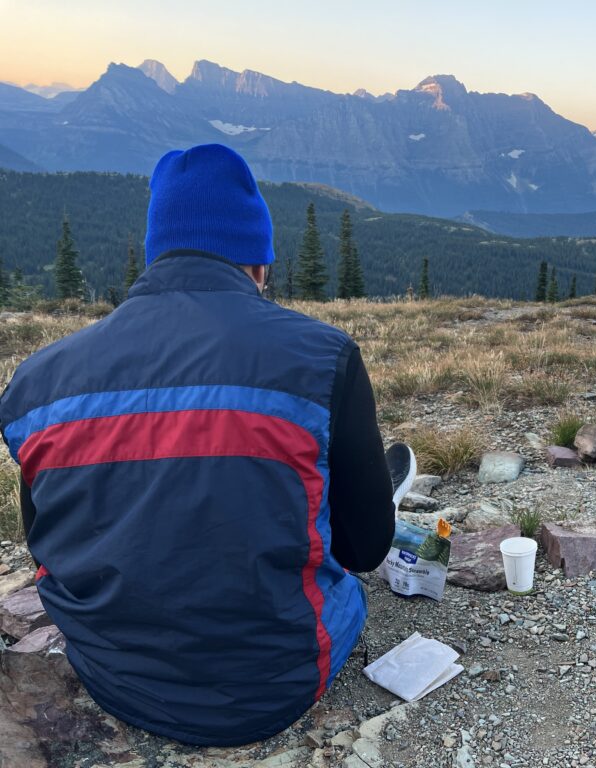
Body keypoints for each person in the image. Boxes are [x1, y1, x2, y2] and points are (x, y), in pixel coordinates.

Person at [0, 144, 396, 746]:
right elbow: (367, 549)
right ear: (258, 263)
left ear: (156, 252)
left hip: (112, 677)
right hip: (277, 684)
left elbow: (46, 542)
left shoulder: (34, 383)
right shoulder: (324, 358)